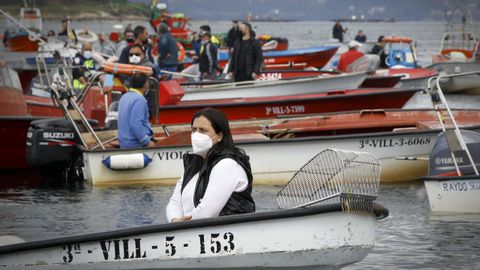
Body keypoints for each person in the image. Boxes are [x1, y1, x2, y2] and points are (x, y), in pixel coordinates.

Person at [166, 108, 255, 222]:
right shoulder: (194, 164)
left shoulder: (227, 164)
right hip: (190, 232)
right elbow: (174, 201)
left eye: (203, 130)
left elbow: (207, 211)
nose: (196, 135)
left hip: (227, 234)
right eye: (194, 130)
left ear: (219, 136)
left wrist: (183, 225)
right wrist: (174, 220)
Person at [117, 72, 155, 149]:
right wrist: (147, 141)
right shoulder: (139, 100)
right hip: (135, 144)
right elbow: (135, 125)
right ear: (145, 84)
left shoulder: (124, 97)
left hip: (124, 143)